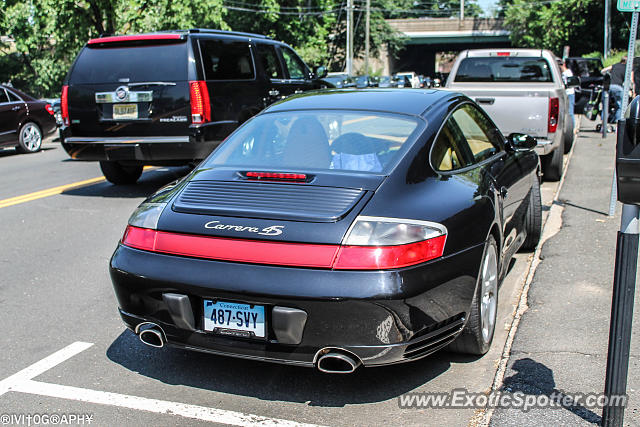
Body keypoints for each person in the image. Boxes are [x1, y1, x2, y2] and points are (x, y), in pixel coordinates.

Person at [608, 56, 627, 122]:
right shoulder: (626, 68)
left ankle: (604, 121)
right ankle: (618, 121)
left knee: (606, 105)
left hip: (609, 86)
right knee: (620, 105)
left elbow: (603, 70)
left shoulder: (615, 65)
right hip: (618, 87)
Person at [561, 60, 575, 130]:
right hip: (564, 94)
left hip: (569, 93)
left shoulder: (568, 73)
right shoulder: (562, 73)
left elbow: (569, 84)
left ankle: (572, 128)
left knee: (570, 112)